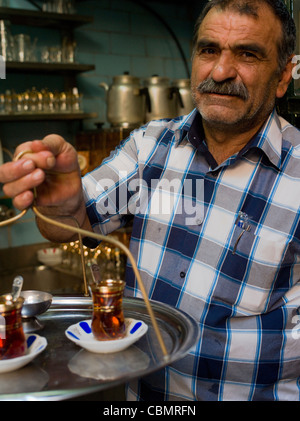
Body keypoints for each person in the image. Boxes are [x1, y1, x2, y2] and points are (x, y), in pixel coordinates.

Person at [0, 0, 299, 401]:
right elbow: (70, 224)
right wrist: (60, 204)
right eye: (209, 50)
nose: (221, 71)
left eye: (248, 54)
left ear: (283, 77)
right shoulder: (150, 148)